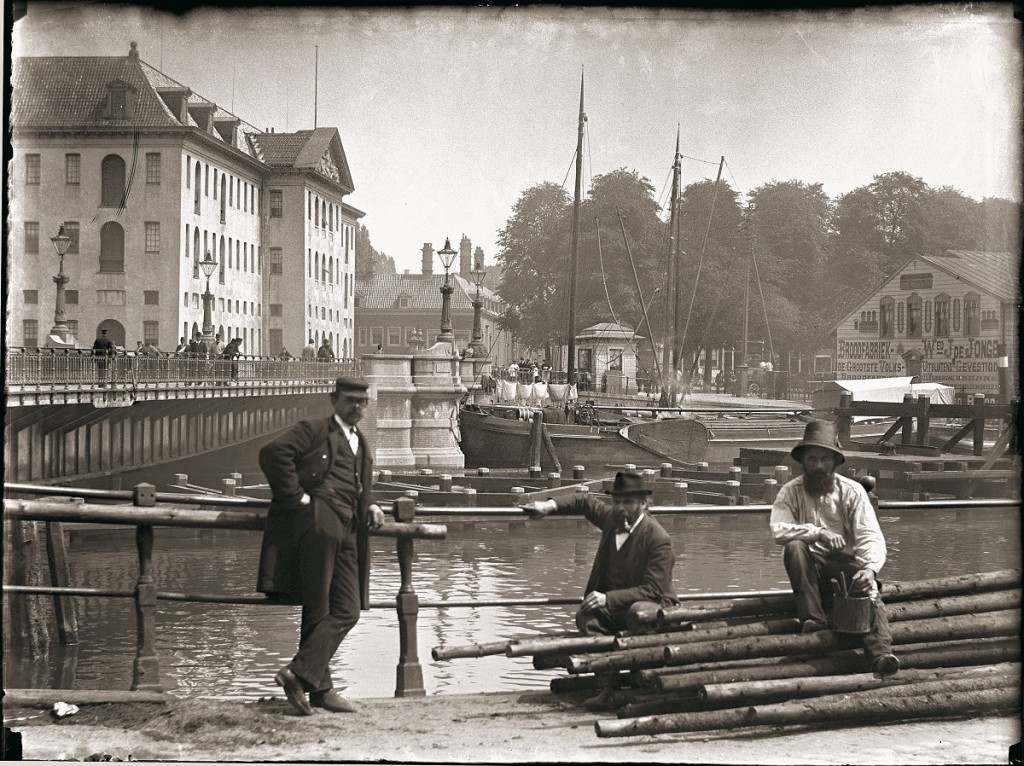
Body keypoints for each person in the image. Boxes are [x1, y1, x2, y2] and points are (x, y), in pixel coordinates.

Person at [258, 376, 386, 715]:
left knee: (348, 608)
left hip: (349, 528)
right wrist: (297, 498)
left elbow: (360, 484)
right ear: (334, 400)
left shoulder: (360, 441)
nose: (356, 407)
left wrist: (371, 504)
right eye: (350, 401)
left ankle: (299, 674)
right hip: (318, 523)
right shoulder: (314, 429)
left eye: (362, 402)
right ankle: (320, 691)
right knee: (318, 607)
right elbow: (273, 453)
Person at [522, 469, 679, 708]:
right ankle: (608, 687)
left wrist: (608, 599)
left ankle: (640, 683)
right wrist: (549, 506)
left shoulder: (658, 538)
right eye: (616, 502)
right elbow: (584, 501)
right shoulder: (611, 520)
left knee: (638, 611)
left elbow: (653, 590)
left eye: (628, 502)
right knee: (587, 615)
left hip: (654, 609)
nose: (621, 508)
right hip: (618, 608)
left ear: (644, 504)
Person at [770, 420, 899, 677]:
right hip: (812, 572)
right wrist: (817, 532)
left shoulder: (852, 492)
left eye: (825, 459)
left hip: (846, 570)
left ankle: (881, 655)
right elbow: (778, 529)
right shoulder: (789, 492)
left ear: (835, 461)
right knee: (794, 547)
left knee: (869, 592)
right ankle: (813, 620)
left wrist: (870, 570)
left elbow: (870, 536)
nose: (819, 466)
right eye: (813, 459)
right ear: (803, 461)